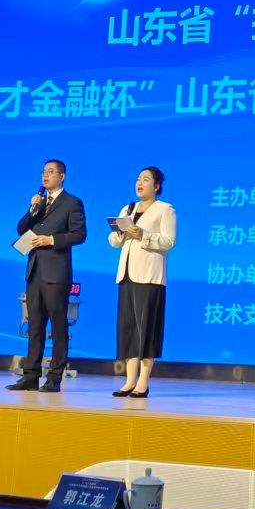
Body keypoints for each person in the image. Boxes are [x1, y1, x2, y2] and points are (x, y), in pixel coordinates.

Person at [8, 158, 86, 392]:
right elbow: (21, 229)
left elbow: (79, 235)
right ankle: (30, 376)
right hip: (34, 271)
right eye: (44, 172)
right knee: (35, 326)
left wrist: (51, 240)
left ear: (62, 176)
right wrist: (33, 208)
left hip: (56, 273)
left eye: (51, 172)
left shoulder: (72, 202)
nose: (45, 176)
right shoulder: (40, 202)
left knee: (58, 326)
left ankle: (54, 378)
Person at [108, 166, 175, 398]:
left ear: (156, 186)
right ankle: (129, 381)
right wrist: (121, 233)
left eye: (146, 180)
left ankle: (143, 383)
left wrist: (143, 235)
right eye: (138, 179)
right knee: (128, 329)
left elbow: (169, 241)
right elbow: (113, 241)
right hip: (126, 275)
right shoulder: (128, 209)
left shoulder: (165, 209)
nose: (140, 183)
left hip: (149, 277)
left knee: (146, 330)